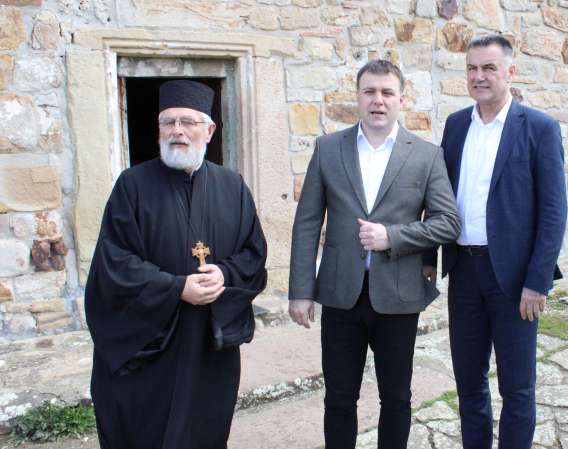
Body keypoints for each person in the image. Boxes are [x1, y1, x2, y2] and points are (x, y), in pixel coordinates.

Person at [85, 80, 268, 449]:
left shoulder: (232, 186)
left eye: (188, 122)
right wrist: (176, 287)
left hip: (209, 343)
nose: (177, 131)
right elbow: (113, 260)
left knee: (205, 428)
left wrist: (224, 274)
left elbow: (253, 252)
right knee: (147, 429)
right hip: (152, 339)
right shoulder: (132, 185)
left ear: (209, 131)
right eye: (168, 122)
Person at [288, 59, 460, 449]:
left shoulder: (426, 155)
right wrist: (300, 290)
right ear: (358, 97)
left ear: (401, 99)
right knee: (338, 398)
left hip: (398, 295)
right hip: (340, 294)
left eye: (386, 92)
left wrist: (392, 237)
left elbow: (448, 223)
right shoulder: (328, 149)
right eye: (369, 92)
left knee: (396, 399)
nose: (377, 100)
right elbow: (307, 222)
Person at [426, 35, 567, 449]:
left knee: (517, 388)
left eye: (489, 68)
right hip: (464, 272)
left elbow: (554, 211)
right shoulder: (456, 125)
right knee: (469, 383)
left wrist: (538, 280)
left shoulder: (539, 128)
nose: (479, 76)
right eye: (472, 68)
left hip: (515, 278)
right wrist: (429, 256)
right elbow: (438, 196)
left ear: (510, 72)